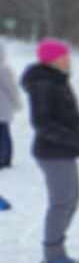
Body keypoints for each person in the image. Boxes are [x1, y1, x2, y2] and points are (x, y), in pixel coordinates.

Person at [23, 38, 79, 263]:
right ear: (50, 60)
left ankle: (56, 247)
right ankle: (53, 253)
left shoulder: (57, 80)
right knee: (62, 201)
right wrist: (70, 137)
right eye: (63, 56)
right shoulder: (43, 84)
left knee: (73, 199)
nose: (67, 60)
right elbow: (41, 122)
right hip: (52, 151)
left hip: (63, 150)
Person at [0, 42, 22, 172]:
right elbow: (12, 88)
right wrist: (17, 103)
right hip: (4, 107)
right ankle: (5, 157)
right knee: (4, 133)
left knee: (3, 133)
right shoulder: (5, 69)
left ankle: (4, 157)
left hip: (3, 107)